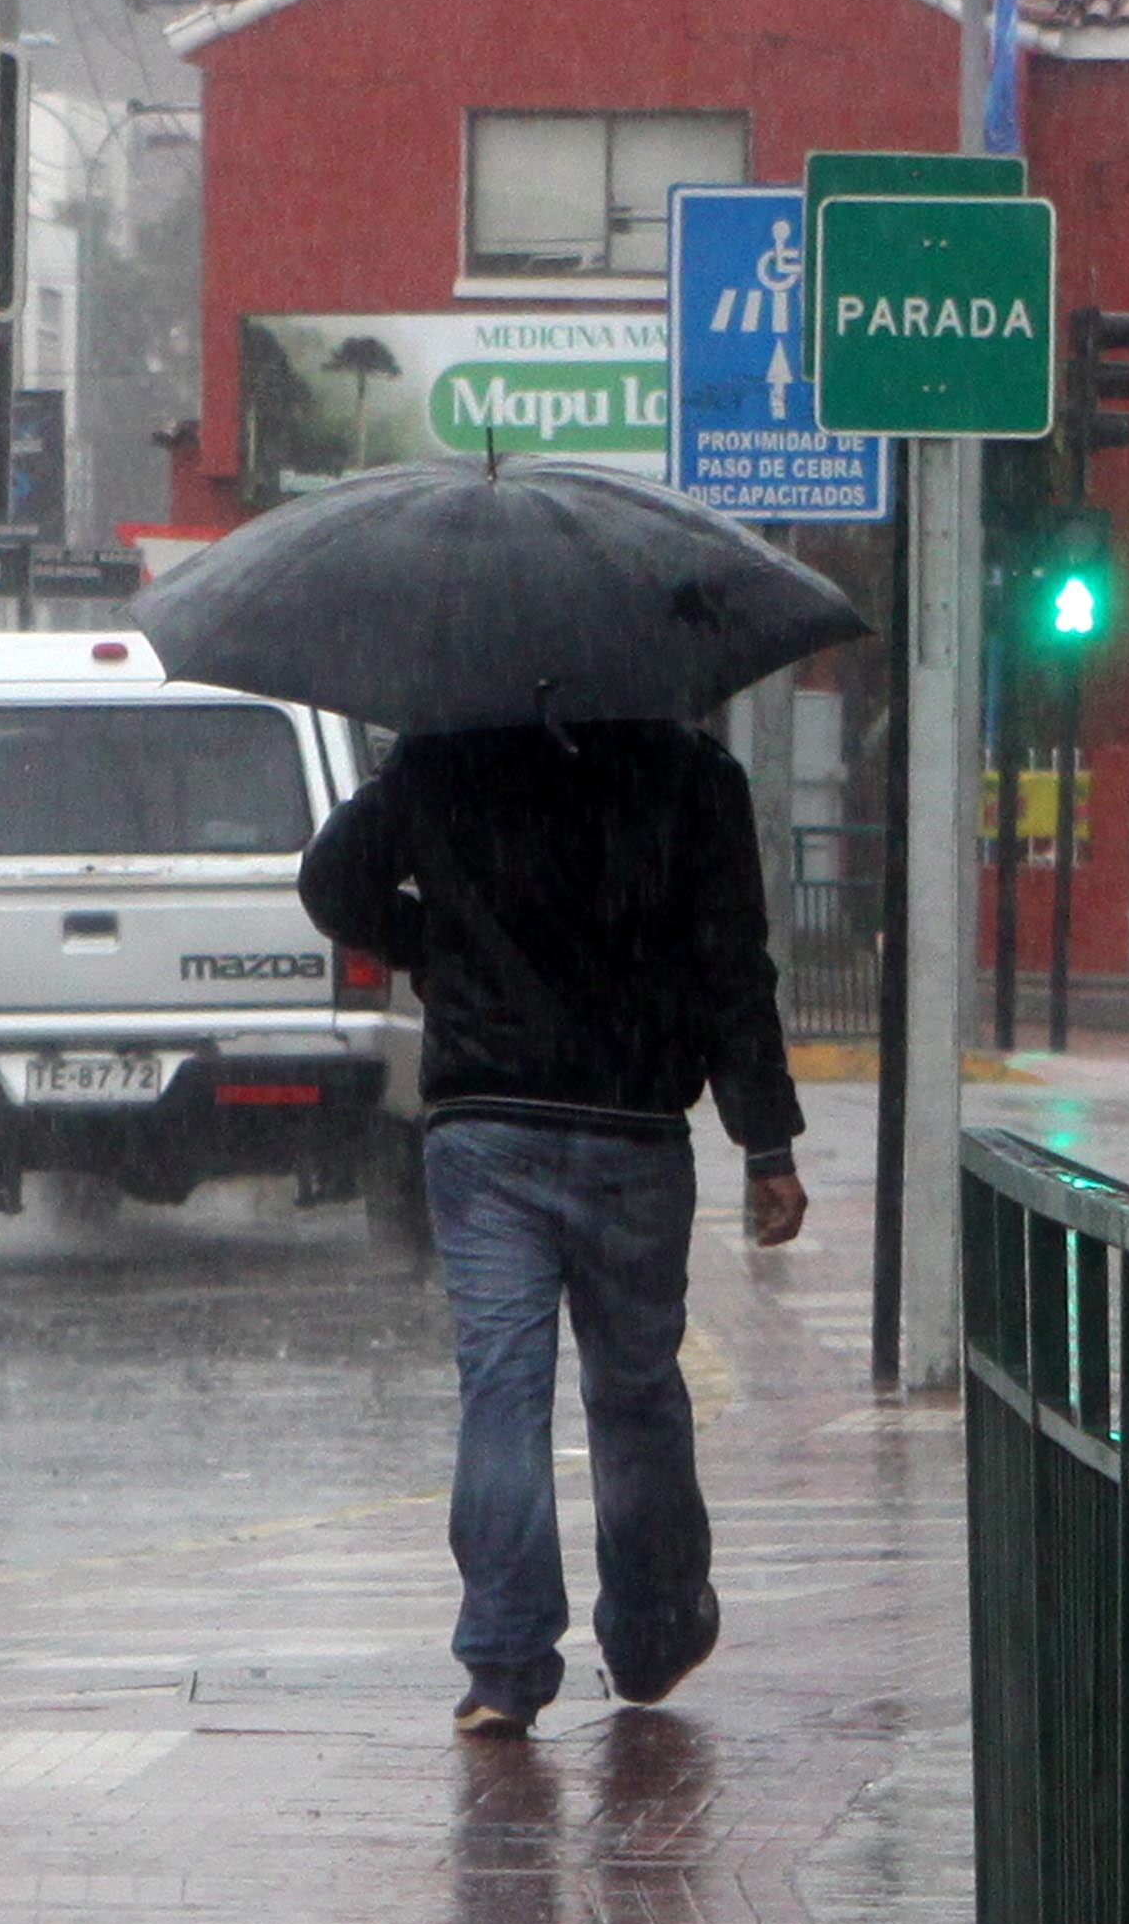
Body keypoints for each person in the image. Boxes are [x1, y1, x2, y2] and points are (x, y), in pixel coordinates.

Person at [299, 714, 808, 1739]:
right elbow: (732, 963)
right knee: (635, 1393)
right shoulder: (689, 770)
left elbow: (332, 882)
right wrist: (765, 1142)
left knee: (503, 1387)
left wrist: (431, 941)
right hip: (634, 1123)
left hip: (487, 1122)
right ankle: (653, 1630)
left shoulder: (449, 748)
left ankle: (504, 1659)